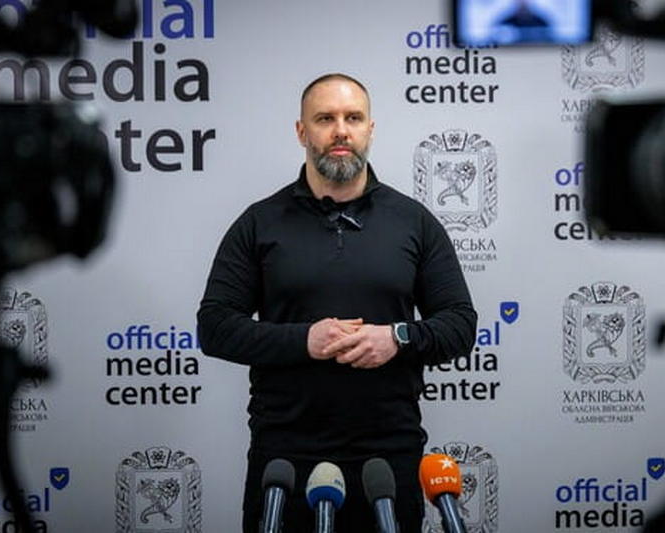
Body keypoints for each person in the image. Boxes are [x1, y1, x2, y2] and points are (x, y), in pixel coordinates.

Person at [197, 73, 477, 532]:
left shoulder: (414, 222)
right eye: (325, 119)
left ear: (370, 129)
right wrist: (305, 340)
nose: (341, 131)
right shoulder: (259, 223)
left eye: (353, 118)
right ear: (301, 131)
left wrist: (397, 337)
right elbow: (214, 327)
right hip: (284, 463)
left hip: (388, 461)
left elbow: (460, 325)